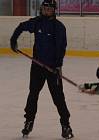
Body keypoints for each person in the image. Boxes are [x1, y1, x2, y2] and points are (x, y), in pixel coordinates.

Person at [10, 0, 73, 139]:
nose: (46, 11)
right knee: (33, 94)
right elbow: (21, 26)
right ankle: (29, 121)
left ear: (54, 10)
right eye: (44, 9)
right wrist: (13, 40)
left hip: (53, 68)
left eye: (48, 9)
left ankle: (66, 125)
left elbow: (61, 48)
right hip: (37, 67)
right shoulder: (37, 22)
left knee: (58, 98)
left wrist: (57, 66)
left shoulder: (59, 27)